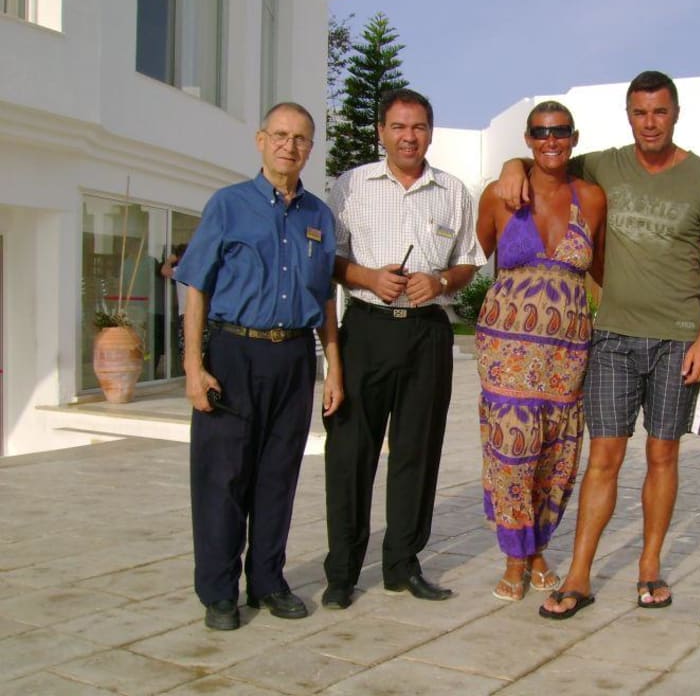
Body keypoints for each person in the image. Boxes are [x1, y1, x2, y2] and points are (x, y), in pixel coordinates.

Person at [496, 71, 700, 619]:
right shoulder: (604, 164)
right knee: (603, 457)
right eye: (639, 113)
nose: (650, 123)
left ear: (675, 114)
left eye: (660, 112)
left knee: (662, 454)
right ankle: (579, 574)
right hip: (614, 338)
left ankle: (650, 566)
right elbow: (546, 158)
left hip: (678, 341)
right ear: (629, 116)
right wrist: (512, 164)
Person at [174, 102, 343, 631]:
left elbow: (326, 301)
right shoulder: (228, 205)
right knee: (222, 477)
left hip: (293, 356)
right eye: (280, 135)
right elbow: (196, 286)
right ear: (260, 140)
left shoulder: (319, 215)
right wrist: (192, 366)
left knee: (277, 476)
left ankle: (268, 580)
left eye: (301, 139)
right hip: (233, 353)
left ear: (310, 149)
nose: (289, 146)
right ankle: (219, 592)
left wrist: (333, 368)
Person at [321, 88, 486, 608]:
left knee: (417, 452)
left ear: (430, 133)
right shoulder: (349, 187)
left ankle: (402, 565)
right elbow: (328, 259)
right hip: (367, 329)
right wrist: (369, 276)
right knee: (351, 454)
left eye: (417, 127)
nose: (408, 136)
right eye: (398, 126)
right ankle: (342, 572)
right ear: (381, 132)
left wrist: (438, 283)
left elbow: (469, 260)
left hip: (427, 334)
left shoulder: (453, 191)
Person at [475, 101, 606, 601]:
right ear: (527, 139)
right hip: (506, 349)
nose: (551, 141)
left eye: (560, 133)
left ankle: (537, 549)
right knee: (512, 454)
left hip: (567, 354)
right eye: (540, 133)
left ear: (574, 137)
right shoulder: (500, 195)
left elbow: (604, 271)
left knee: (556, 456)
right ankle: (516, 556)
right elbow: (471, 259)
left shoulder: (591, 198)